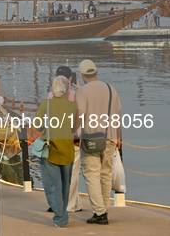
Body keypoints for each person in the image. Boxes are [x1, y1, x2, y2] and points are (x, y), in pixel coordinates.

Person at [74, 60, 121, 225]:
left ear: (81, 75)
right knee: (106, 174)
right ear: (97, 71)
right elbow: (117, 116)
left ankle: (100, 213)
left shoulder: (82, 91)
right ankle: (105, 209)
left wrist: (73, 131)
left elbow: (80, 114)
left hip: (90, 139)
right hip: (110, 138)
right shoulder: (111, 89)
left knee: (91, 174)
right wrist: (119, 138)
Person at [34, 76, 77, 228]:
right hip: (67, 150)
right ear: (67, 89)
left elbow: (38, 126)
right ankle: (62, 213)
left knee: (53, 187)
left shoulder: (47, 104)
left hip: (50, 150)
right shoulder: (73, 106)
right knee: (65, 186)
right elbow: (74, 128)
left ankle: (60, 218)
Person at [48, 66, 82, 213]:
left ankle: (61, 202)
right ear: (70, 79)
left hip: (56, 137)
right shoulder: (76, 95)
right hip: (72, 136)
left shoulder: (51, 96)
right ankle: (70, 204)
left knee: (57, 172)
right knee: (72, 172)